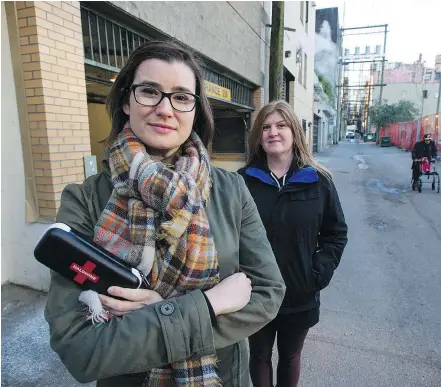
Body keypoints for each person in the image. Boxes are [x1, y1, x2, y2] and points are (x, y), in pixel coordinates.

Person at [44, 40, 285, 387]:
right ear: (127, 101)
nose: (165, 109)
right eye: (149, 91)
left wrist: (154, 314)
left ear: (195, 111)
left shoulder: (231, 190)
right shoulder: (84, 200)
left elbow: (268, 292)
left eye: (181, 97)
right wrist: (208, 306)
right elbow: (80, 348)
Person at [238, 101, 348, 387]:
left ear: (294, 132)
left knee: (290, 356)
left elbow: (335, 233)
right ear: (258, 137)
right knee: (259, 355)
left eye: (281, 125)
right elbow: (229, 236)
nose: (273, 132)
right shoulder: (242, 182)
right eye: (266, 127)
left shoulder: (318, 180)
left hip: (300, 293)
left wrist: (317, 274)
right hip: (256, 292)